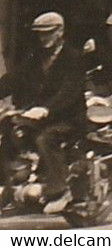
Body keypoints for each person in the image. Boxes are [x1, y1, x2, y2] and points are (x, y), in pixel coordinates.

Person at [0, 12, 87, 214]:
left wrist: (47, 109)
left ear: (60, 32)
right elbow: (15, 78)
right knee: (7, 130)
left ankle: (60, 189)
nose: (43, 38)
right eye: (40, 34)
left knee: (45, 139)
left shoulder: (73, 58)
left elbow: (70, 91)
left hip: (67, 118)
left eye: (48, 33)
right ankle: (7, 184)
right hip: (37, 115)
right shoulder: (36, 56)